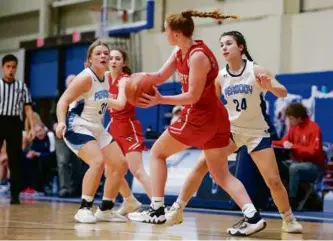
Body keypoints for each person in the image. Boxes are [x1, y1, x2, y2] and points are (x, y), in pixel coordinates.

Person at [129, 10, 267, 236]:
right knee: (221, 174)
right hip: (215, 119)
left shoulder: (198, 57)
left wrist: (160, 100)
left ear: (175, 34)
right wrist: (133, 80)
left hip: (199, 116)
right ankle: (252, 216)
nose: (164, 33)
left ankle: (156, 209)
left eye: (166, 30)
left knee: (157, 153)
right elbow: (159, 76)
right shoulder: (180, 52)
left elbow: (193, 96)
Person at [164, 31, 303, 234]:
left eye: (229, 43)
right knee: (202, 164)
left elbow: (283, 92)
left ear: (241, 47)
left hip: (257, 133)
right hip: (231, 132)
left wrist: (270, 86)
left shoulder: (255, 70)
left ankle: (288, 219)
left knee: (273, 180)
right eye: (221, 45)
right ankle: (177, 208)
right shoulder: (220, 77)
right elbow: (209, 104)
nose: (224, 48)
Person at [56, 40, 128, 223]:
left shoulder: (106, 78)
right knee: (97, 161)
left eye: (106, 53)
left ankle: (105, 209)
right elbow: (63, 101)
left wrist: (124, 88)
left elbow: (117, 104)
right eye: (98, 53)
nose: (104, 56)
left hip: (96, 127)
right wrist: (61, 122)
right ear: (89, 59)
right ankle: (84, 208)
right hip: (76, 125)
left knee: (120, 164)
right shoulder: (85, 77)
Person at [105, 48, 152, 215]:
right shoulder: (105, 78)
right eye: (111, 58)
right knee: (110, 169)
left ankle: (158, 205)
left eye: (117, 58)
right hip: (113, 127)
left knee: (137, 170)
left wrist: (100, 98)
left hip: (128, 127)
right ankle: (129, 200)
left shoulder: (125, 80)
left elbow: (120, 104)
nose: (113, 61)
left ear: (123, 63)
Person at [272, 102, 326, 208]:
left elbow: (314, 151)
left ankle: (292, 200)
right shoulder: (294, 128)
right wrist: (269, 142)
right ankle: (276, 197)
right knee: (277, 165)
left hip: (314, 166)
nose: (289, 121)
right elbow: (284, 142)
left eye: (291, 119)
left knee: (294, 168)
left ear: (299, 118)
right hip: (298, 162)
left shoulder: (314, 128)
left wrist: (294, 146)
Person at [0, 54, 35, 204]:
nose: (11, 70)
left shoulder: (21, 87)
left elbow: (28, 109)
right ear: (3, 67)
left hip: (14, 123)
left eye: (13, 67)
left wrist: (32, 127)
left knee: (15, 160)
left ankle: (15, 195)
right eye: (8, 66)